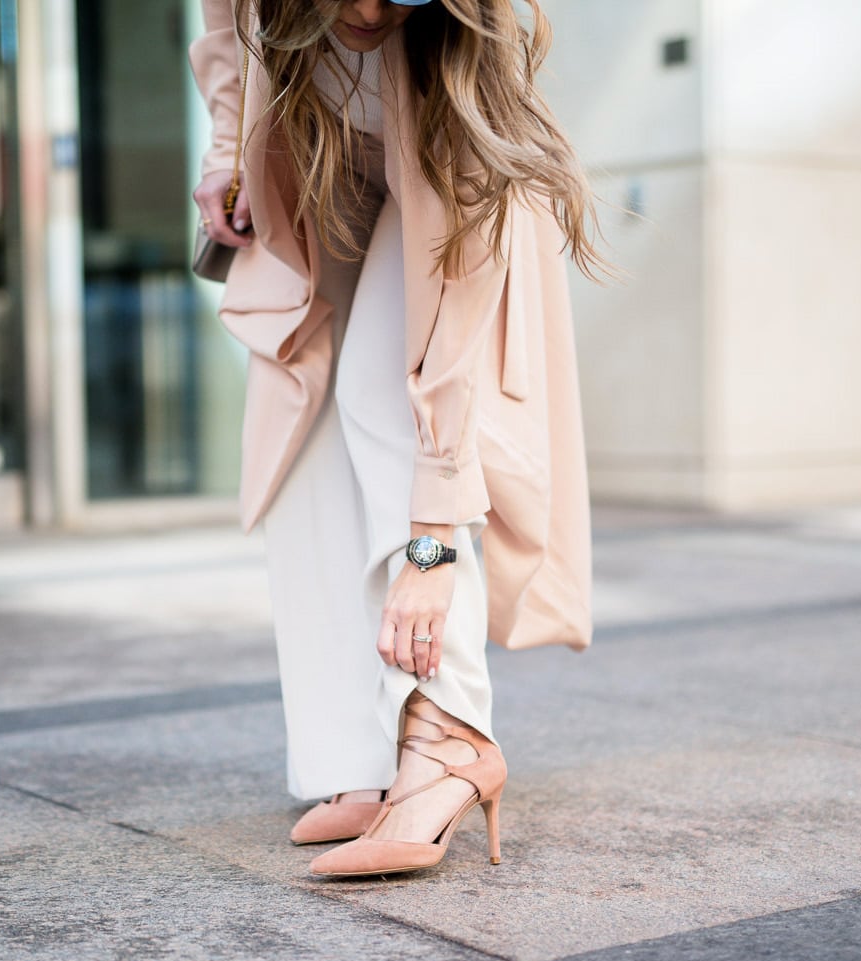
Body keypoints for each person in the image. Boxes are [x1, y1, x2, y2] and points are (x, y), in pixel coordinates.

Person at [189, 0, 599, 878]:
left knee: (384, 388)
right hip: (321, 159)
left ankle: (448, 733)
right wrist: (226, 148)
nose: (375, 10)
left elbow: (443, 348)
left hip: (451, 186)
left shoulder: (459, 46)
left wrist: (433, 543)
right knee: (302, 431)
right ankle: (357, 756)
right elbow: (224, 28)